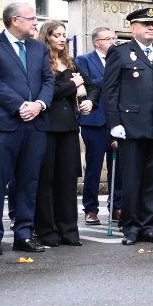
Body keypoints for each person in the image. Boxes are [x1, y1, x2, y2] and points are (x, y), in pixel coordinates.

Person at [0, 2, 52, 256]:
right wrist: (19, 105)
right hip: (5, 125)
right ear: (15, 20)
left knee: (29, 182)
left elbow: (48, 80)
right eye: (31, 18)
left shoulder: (38, 47)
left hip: (36, 124)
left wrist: (40, 104)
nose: (35, 23)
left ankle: (24, 234)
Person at [104, 7, 153, 245]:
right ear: (132, 27)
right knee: (132, 178)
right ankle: (131, 226)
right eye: (146, 24)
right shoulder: (121, 52)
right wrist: (114, 123)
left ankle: (148, 224)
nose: (151, 28)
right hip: (131, 125)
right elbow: (111, 89)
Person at [33, 21, 94, 247]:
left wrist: (90, 101)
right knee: (46, 180)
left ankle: (69, 230)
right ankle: (47, 231)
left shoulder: (70, 62)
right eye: (56, 35)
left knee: (68, 180)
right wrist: (71, 85)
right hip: (47, 126)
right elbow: (47, 93)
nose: (61, 39)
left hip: (69, 127)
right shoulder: (41, 61)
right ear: (46, 37)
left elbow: (92, 85)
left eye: (64, 35)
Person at [76, 26, 119, 225]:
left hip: (118, 121)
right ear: (97, 42)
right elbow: (91, 83)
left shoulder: (120, 59)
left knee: (118, 167)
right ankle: (91, 209)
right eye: (108, 38)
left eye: (114, 38)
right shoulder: (84, 60)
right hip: (95, 120)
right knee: (94, 167)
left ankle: (117, 206)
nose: (113, 41)